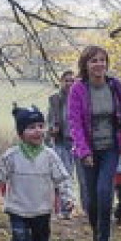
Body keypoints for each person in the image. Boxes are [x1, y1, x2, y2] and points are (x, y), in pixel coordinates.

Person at [0, 105, 74, 241]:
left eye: (40, 125)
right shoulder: (12, 156)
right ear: (21, 133)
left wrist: (67, 196)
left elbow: (62, 178)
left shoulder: (49, 155)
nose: (37, 131)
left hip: (42, 210)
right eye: (31, 127)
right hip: (18, 209)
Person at [67, 45, 121, 241]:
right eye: (94, 60)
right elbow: (74, 122)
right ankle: (96, 231)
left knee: (105, 192)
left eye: (102, 60)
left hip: (110, 147)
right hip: (86, 149)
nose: (99, 64)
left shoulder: (115, 86)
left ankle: (104, 239)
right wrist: (84, 151)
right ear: (85, 65)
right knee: (91, 199)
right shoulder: (78, 89)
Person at [46, 69, 81, 218]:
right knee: (64, 175)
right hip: (61, 141)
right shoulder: (55, 99)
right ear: (61, 82)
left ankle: (83, 208)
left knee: (81, 178)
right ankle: (65, 208)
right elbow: (50, 120)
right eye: (66, 80)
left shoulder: (80, 98)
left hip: (79, 142)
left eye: (72, 80)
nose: (69, 83)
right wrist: (52, 129)